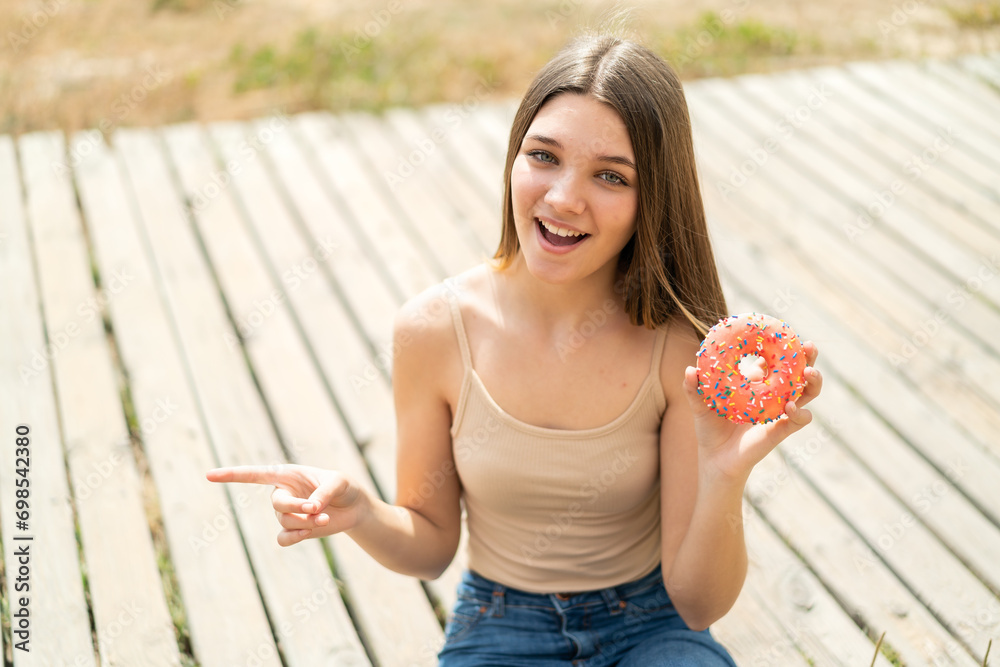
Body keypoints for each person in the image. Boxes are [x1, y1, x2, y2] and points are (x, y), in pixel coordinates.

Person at [207, 32, 821, 666]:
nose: (561, 199)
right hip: (500, 623)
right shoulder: (434, 331)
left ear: (653, 201)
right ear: (513, 157)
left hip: (650, 625)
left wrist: (724, 476)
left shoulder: (677, 350)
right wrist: (360, 511)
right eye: (544, 156)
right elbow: (432, 545)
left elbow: (697, 606)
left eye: (611, 175)